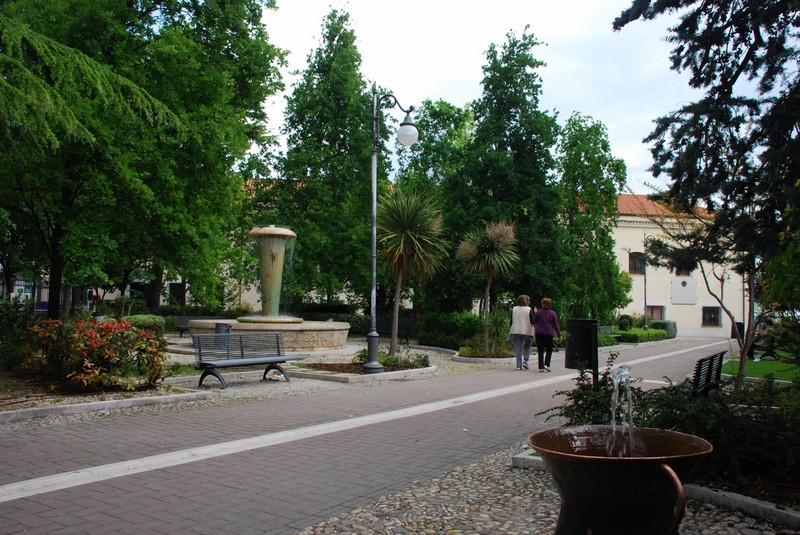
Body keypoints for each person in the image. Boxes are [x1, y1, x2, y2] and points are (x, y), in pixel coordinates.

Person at [532, 297, 562, 372]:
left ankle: (541, 367)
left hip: (539, 333)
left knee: (540, 350)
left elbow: (533, 321)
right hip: (549, 333)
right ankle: (546, 364)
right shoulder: (553, 313)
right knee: (549, 350)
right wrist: (559, 335)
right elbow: (556, 325)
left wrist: (535, 313)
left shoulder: (539, 312)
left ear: (543, 304)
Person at [509, 294, 535, 370]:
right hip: (527, 330)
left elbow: (511, 321)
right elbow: (532, 321)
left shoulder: (514, 309)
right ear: (526, 301)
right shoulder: (529, 309)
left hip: (516, 330)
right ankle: (525, 361)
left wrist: (511, 329)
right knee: (528, 346)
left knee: (518, 348)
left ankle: (518, 365)